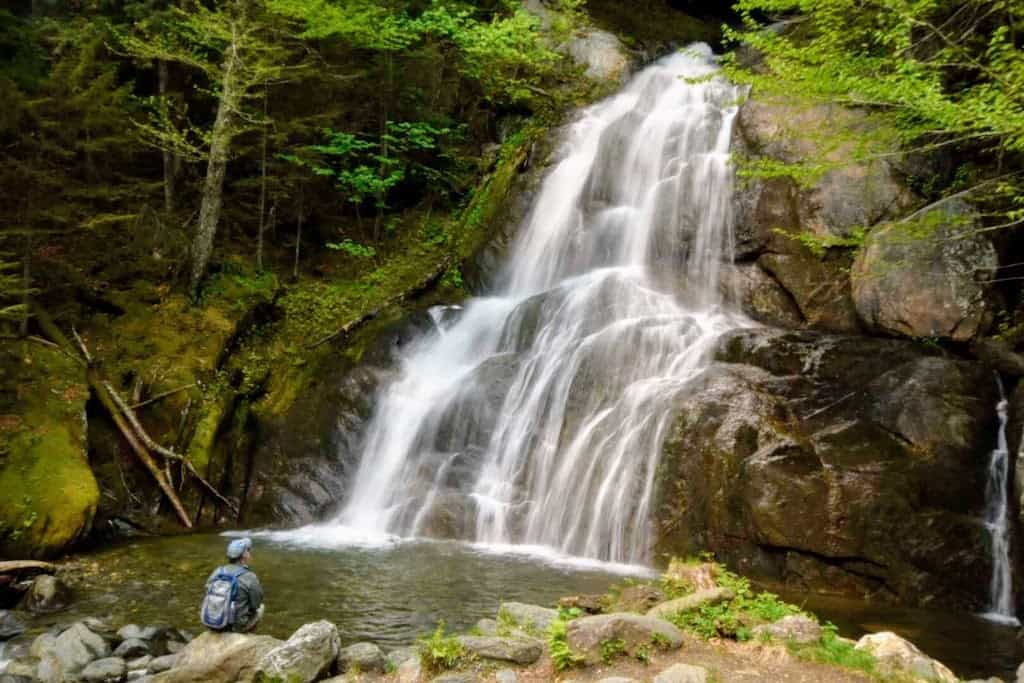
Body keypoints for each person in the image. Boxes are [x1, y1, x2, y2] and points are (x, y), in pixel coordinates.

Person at [202, 537, 264, 632]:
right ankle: (246, 636)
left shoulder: (218, 571)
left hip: (212, 623)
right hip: (235, 627)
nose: (249, 554)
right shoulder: (249, 576)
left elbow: (207, 590)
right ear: (244, 555)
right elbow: (256, 603)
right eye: (248, 551)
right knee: (261, 608)